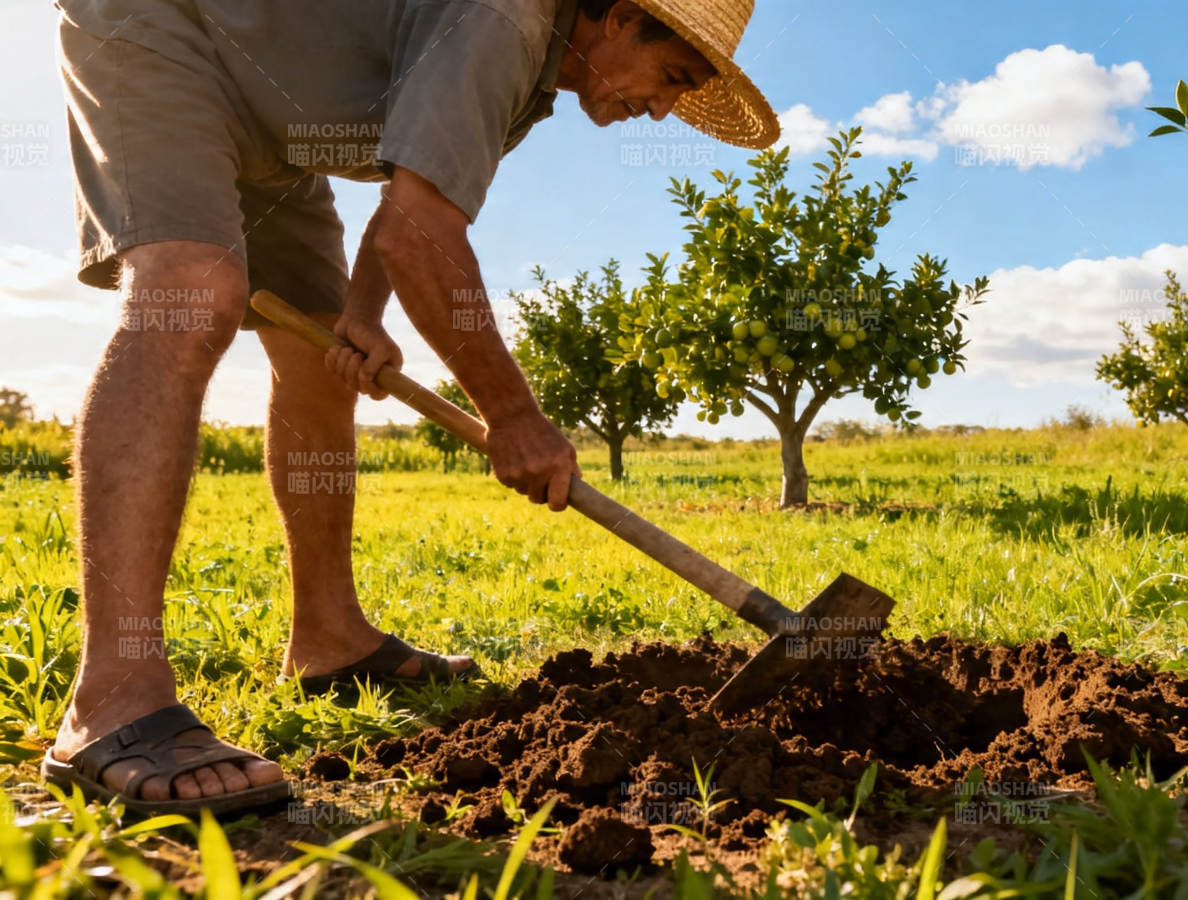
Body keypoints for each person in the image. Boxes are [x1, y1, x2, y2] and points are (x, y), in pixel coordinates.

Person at [42, 0, 779, 816]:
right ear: (615, 16)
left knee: (322, 351)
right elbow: (419, 239)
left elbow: (406, 212)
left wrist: (363, 313)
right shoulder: (509, 22)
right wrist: (514, 417)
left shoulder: (527, 83)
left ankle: (328, 640)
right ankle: (112, 700)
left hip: (275, 136)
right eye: (671, 77)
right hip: (162, 26)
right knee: (190, 291)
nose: (663, 107)